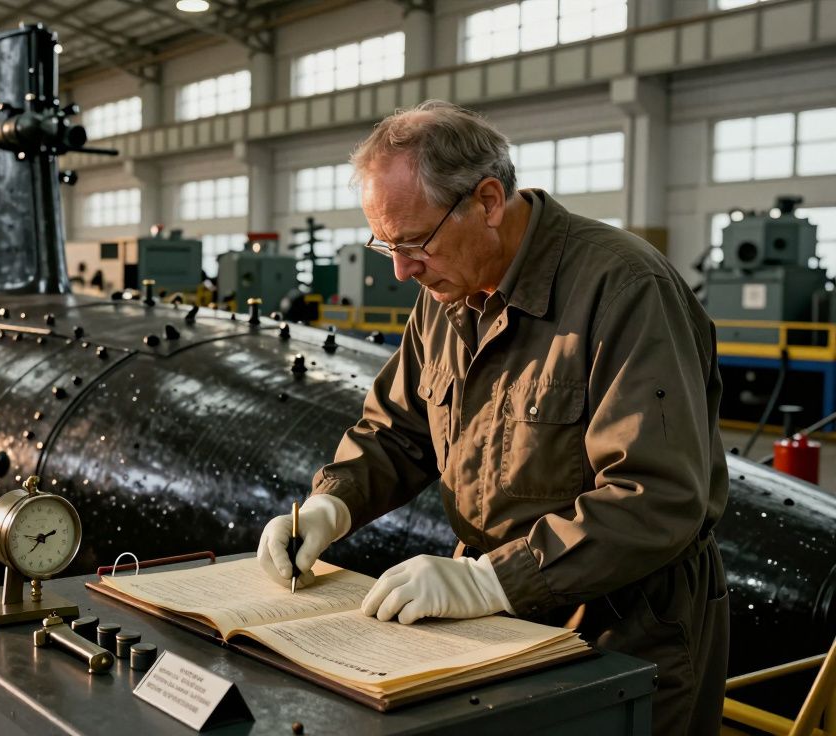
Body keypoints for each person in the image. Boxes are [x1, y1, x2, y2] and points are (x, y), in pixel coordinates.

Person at [256, 100, 729, 734]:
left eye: (414, 242)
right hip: (499, 610)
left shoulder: (624, 288)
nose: (401, 269)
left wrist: (489, 583)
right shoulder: (447, 291)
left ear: (486, 202)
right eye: (385, 245)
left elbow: (659, 496)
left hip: (624, 623)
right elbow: (398, 430)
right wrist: (329, 506)